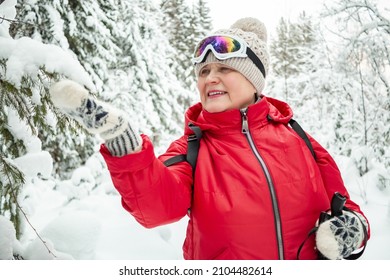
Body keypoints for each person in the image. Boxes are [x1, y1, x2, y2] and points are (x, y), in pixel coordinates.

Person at [49, 17, 370, 260]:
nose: (210, 77)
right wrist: (124, 146)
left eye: (224, 68)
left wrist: (351, 231)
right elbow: (157, 210)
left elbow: (347, 209)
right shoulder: (192, 148)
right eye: (203, 71)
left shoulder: (299, 138)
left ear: (254, 79)